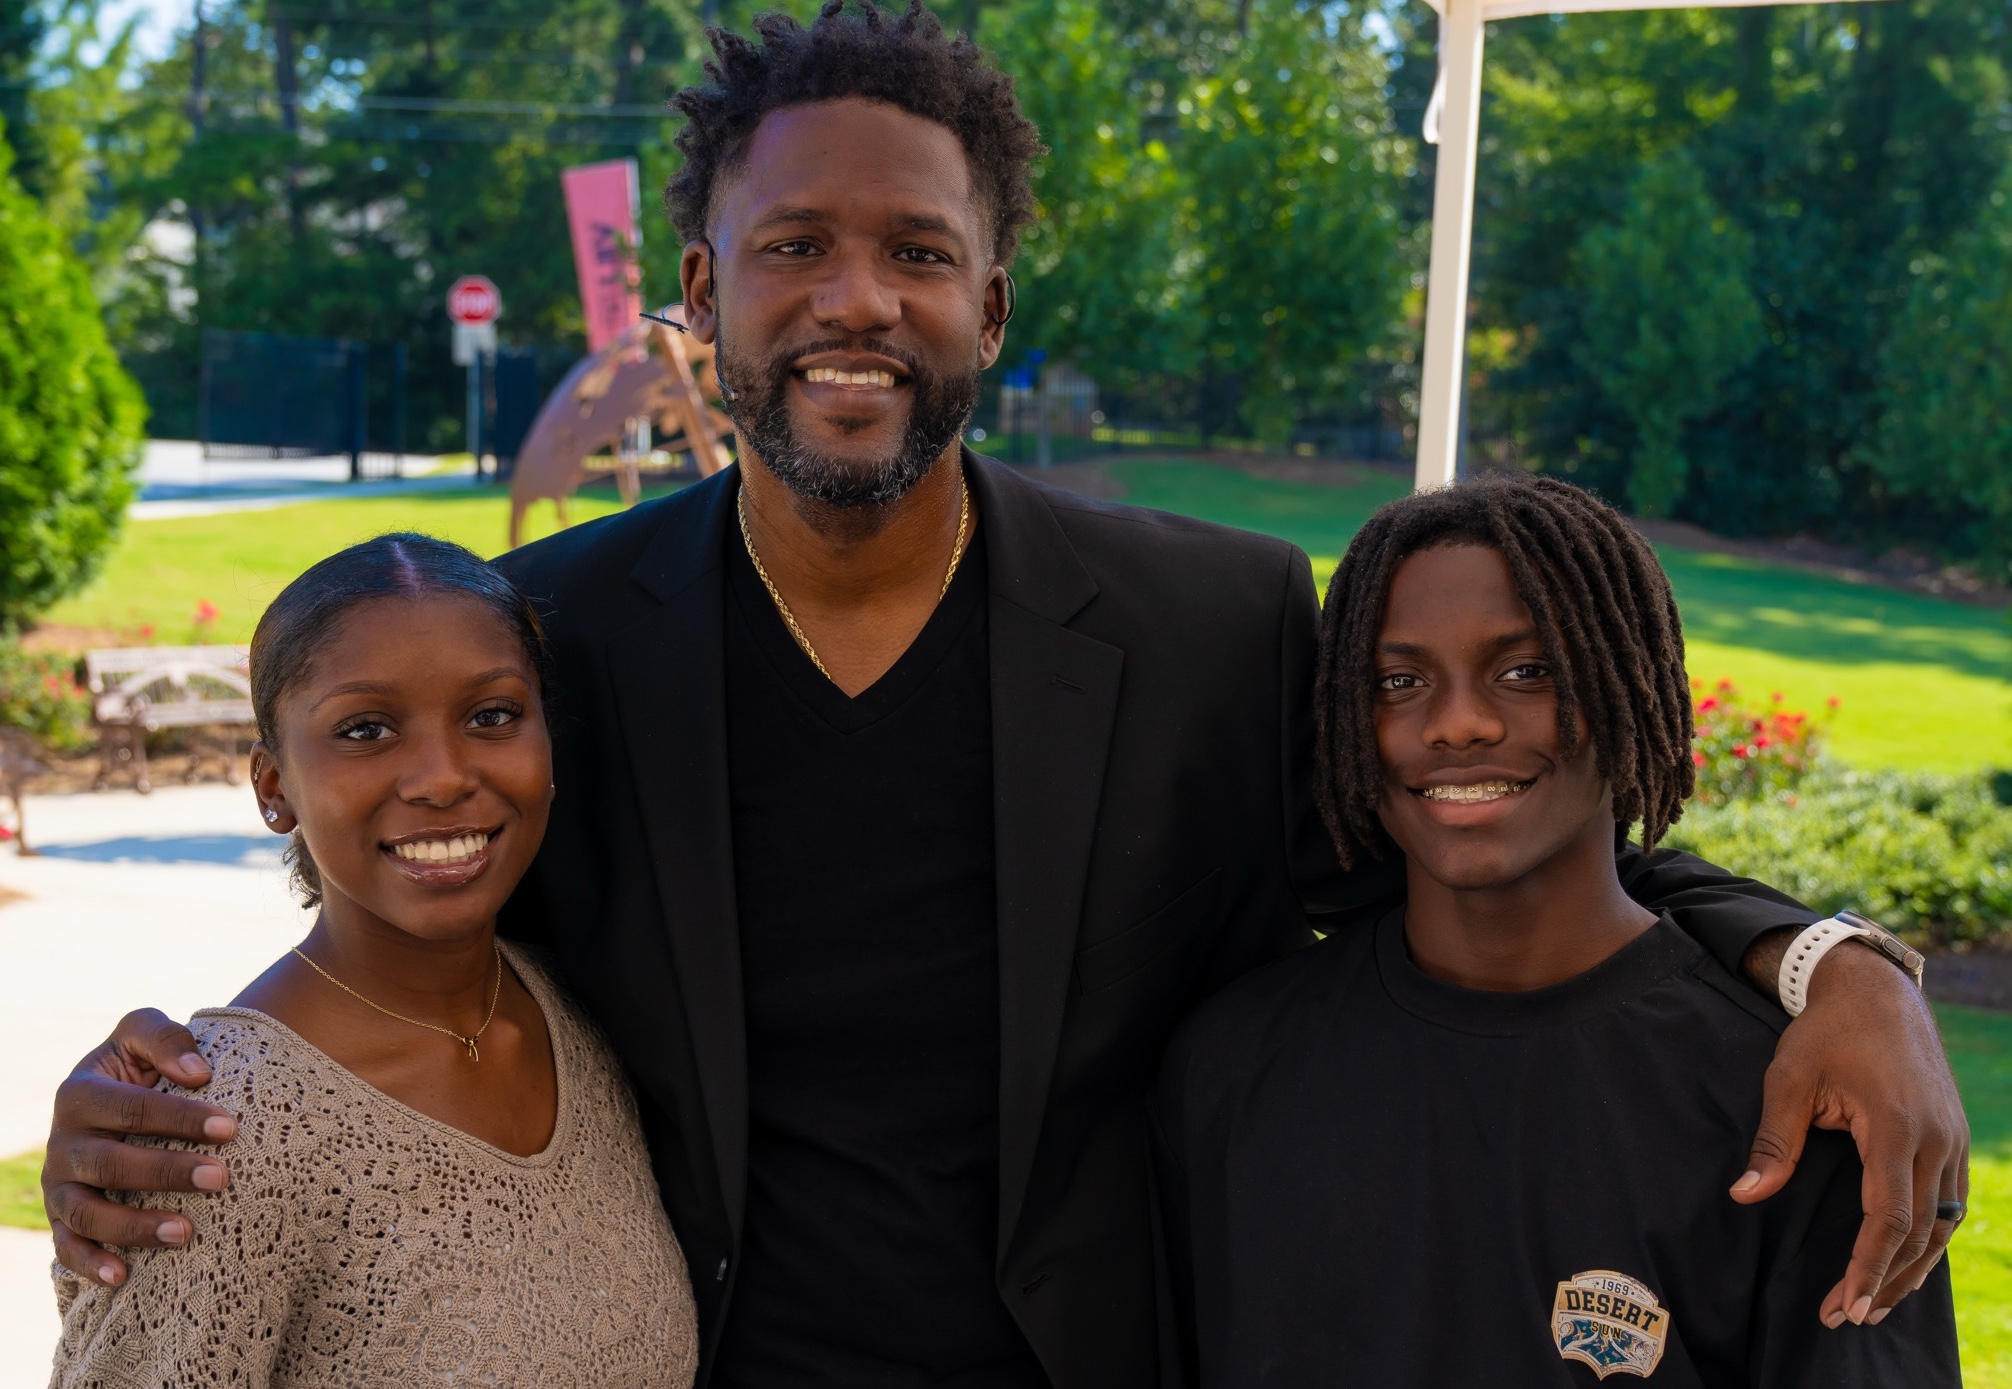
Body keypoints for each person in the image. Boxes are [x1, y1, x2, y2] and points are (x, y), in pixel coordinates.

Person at [40, 6, 1963, 1386]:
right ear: (700, 297)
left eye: (916, 253)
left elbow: (1475, 838)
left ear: (993, 304)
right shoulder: (553, 643)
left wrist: (1834, 962)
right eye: (793, 247)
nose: (854, 297)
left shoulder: (1206, 620)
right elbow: (403, 912)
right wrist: (167, 1100)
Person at [1152, 475, 1962, 1387]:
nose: (1458, 721)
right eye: (1399, 680)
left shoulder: (1797, 1097)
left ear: (1630, 685)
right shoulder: (1230, 1065)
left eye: (1526, 670)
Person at [48, 535, 698, 1387]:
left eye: (492, 714)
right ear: (274, 787)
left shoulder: (583, 1016)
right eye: (366, 729)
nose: (441, 776)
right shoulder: (224, 1135)